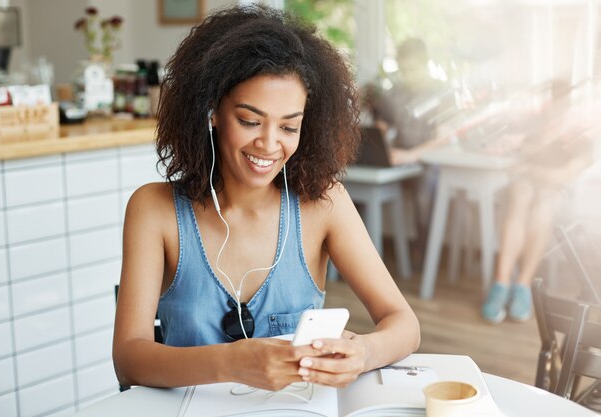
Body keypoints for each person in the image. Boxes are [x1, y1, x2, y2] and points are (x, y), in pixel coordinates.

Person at [113, 5, 420, 391]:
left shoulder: (324, 205)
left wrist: (364, 353)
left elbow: (404, 324)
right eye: (249, 121)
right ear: (211, 111)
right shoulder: (153, 210)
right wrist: (231, 363)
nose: (270, 144)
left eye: (289, 126)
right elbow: (128, 359)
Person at [481, 81, 595, 324]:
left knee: (544, 203)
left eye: (560, 101)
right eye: (552, 101)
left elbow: (562, 175)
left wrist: (532, 168)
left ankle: (522, 284)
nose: (554, 107)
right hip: (524, 188)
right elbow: (514, 158)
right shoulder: (534, 130)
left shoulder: (582, 136)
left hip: (555, 193)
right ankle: (501, 283)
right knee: (520, 193)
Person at [369, 38, 452, 250]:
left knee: (425, 190)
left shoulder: (443, 93)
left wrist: (411, 155)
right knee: (363, 181)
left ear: (426, 63)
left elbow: (444, 138)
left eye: (413, 69)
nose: (408, 75)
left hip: (433, 162)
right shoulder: (394, 93)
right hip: (402, 160)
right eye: (403, 70)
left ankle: (425, 253)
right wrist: (381, 147)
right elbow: (381, 127)